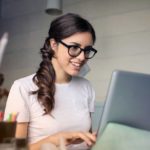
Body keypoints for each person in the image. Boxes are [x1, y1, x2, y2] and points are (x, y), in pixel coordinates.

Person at [4, 13, 97, 150]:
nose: (82, 57)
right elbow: (10, 148)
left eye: (87, 50)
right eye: (74, 48)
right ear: (54, 44)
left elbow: (88, 142)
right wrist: (53, 140)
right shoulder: (22, 88)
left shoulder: (86, 86)